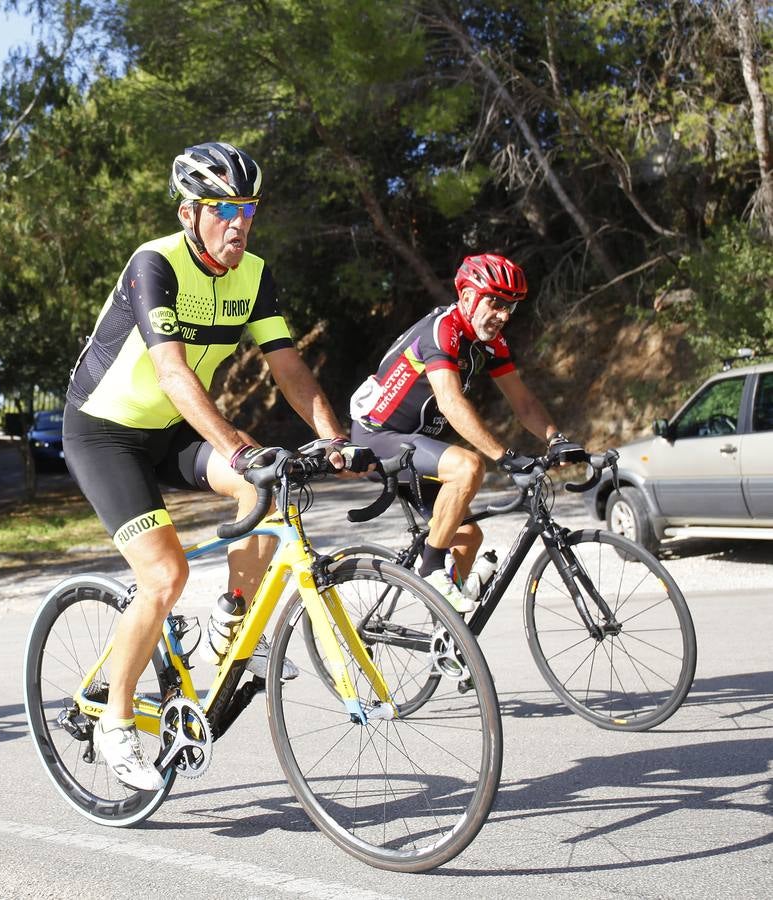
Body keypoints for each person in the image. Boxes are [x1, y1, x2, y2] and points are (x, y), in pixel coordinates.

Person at [63, 142, 373, 790]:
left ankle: (235, 613)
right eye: (223, 208)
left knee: (272, 487)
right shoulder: (156, 264)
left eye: (248, 209)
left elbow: (287, 367)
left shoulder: (253, 274)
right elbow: (172, 374)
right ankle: (114, 721)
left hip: (171, 432)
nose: (238, 222)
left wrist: (334, 438)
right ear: (189, 213)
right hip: (104, 433)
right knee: (165, 575)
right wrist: (236, 445)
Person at [348, 253, 587, 612]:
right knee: (467, 467)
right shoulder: (443, 330)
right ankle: (431, 573)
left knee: (468, 536)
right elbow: (450, 402)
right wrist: (504, 457)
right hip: (377, 437)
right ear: (468, 296)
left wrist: (557, 439)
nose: (504, 315)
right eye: (496, 302)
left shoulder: (490, 343)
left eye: (511, 306)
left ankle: (446, 636)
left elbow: (523, 402)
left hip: (416, 445)